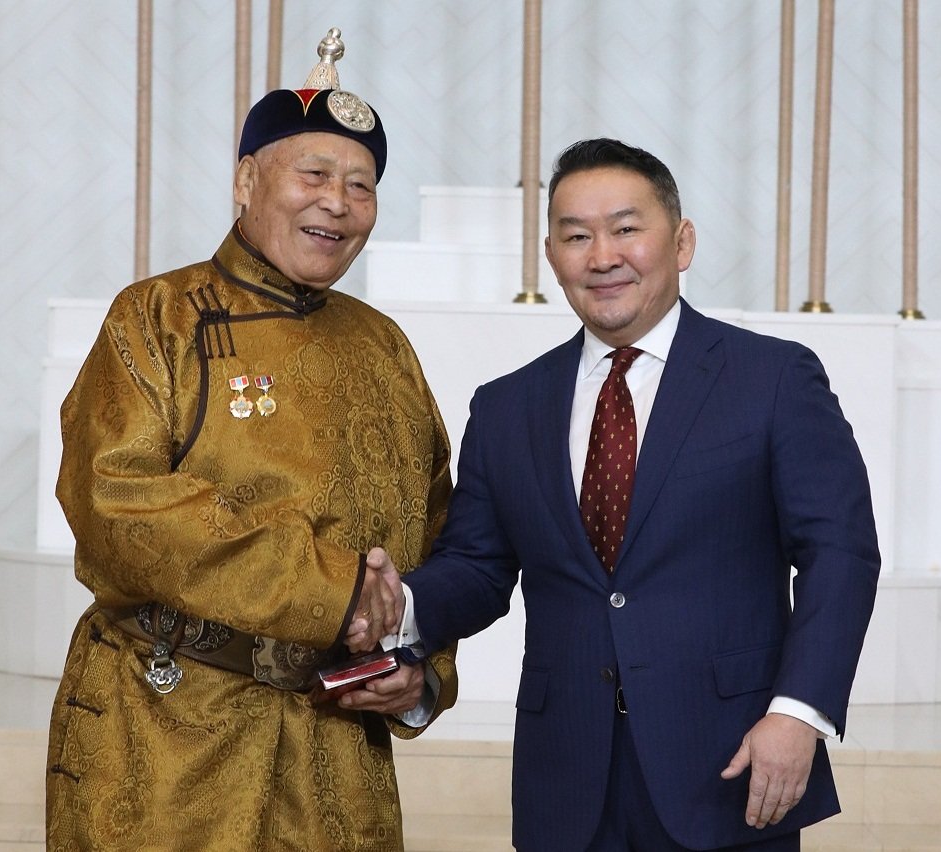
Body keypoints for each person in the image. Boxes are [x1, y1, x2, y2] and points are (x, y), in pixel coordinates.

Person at [360, 138, 881, 851]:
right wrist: (403, 605)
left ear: (682, 241)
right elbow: (478, 568)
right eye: (577, 236)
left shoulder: (773, 379)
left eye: (626, 229)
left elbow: (840, 554)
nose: (602, 256)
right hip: (566, 778)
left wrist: (798, 713)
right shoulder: (508, 406)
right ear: (552, 256)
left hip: (733, 762)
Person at [46, 29, 457, 852]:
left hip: (336, 752)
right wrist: (333, 589)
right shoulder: (156, 318)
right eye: (314, 175)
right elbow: (116, 504)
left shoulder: (384, 348)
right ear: (245, 180)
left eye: (361, 186)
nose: (337, 203)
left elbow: (438, 533)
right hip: (166, 736)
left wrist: (419, 677)